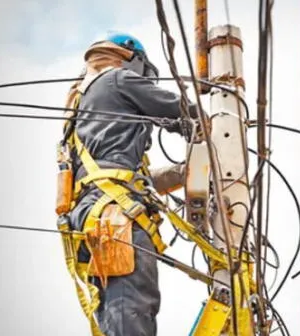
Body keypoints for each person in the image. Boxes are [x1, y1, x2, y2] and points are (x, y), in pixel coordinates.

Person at [60, 32, 194, 336]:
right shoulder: (117, 78)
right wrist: (225, 124)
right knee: (131, 307)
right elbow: (183, 112)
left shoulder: (81, 107)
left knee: (116, 312)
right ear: (132, 60)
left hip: (93, 213)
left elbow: (121, 175)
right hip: (113, 215)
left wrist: (183, 172)